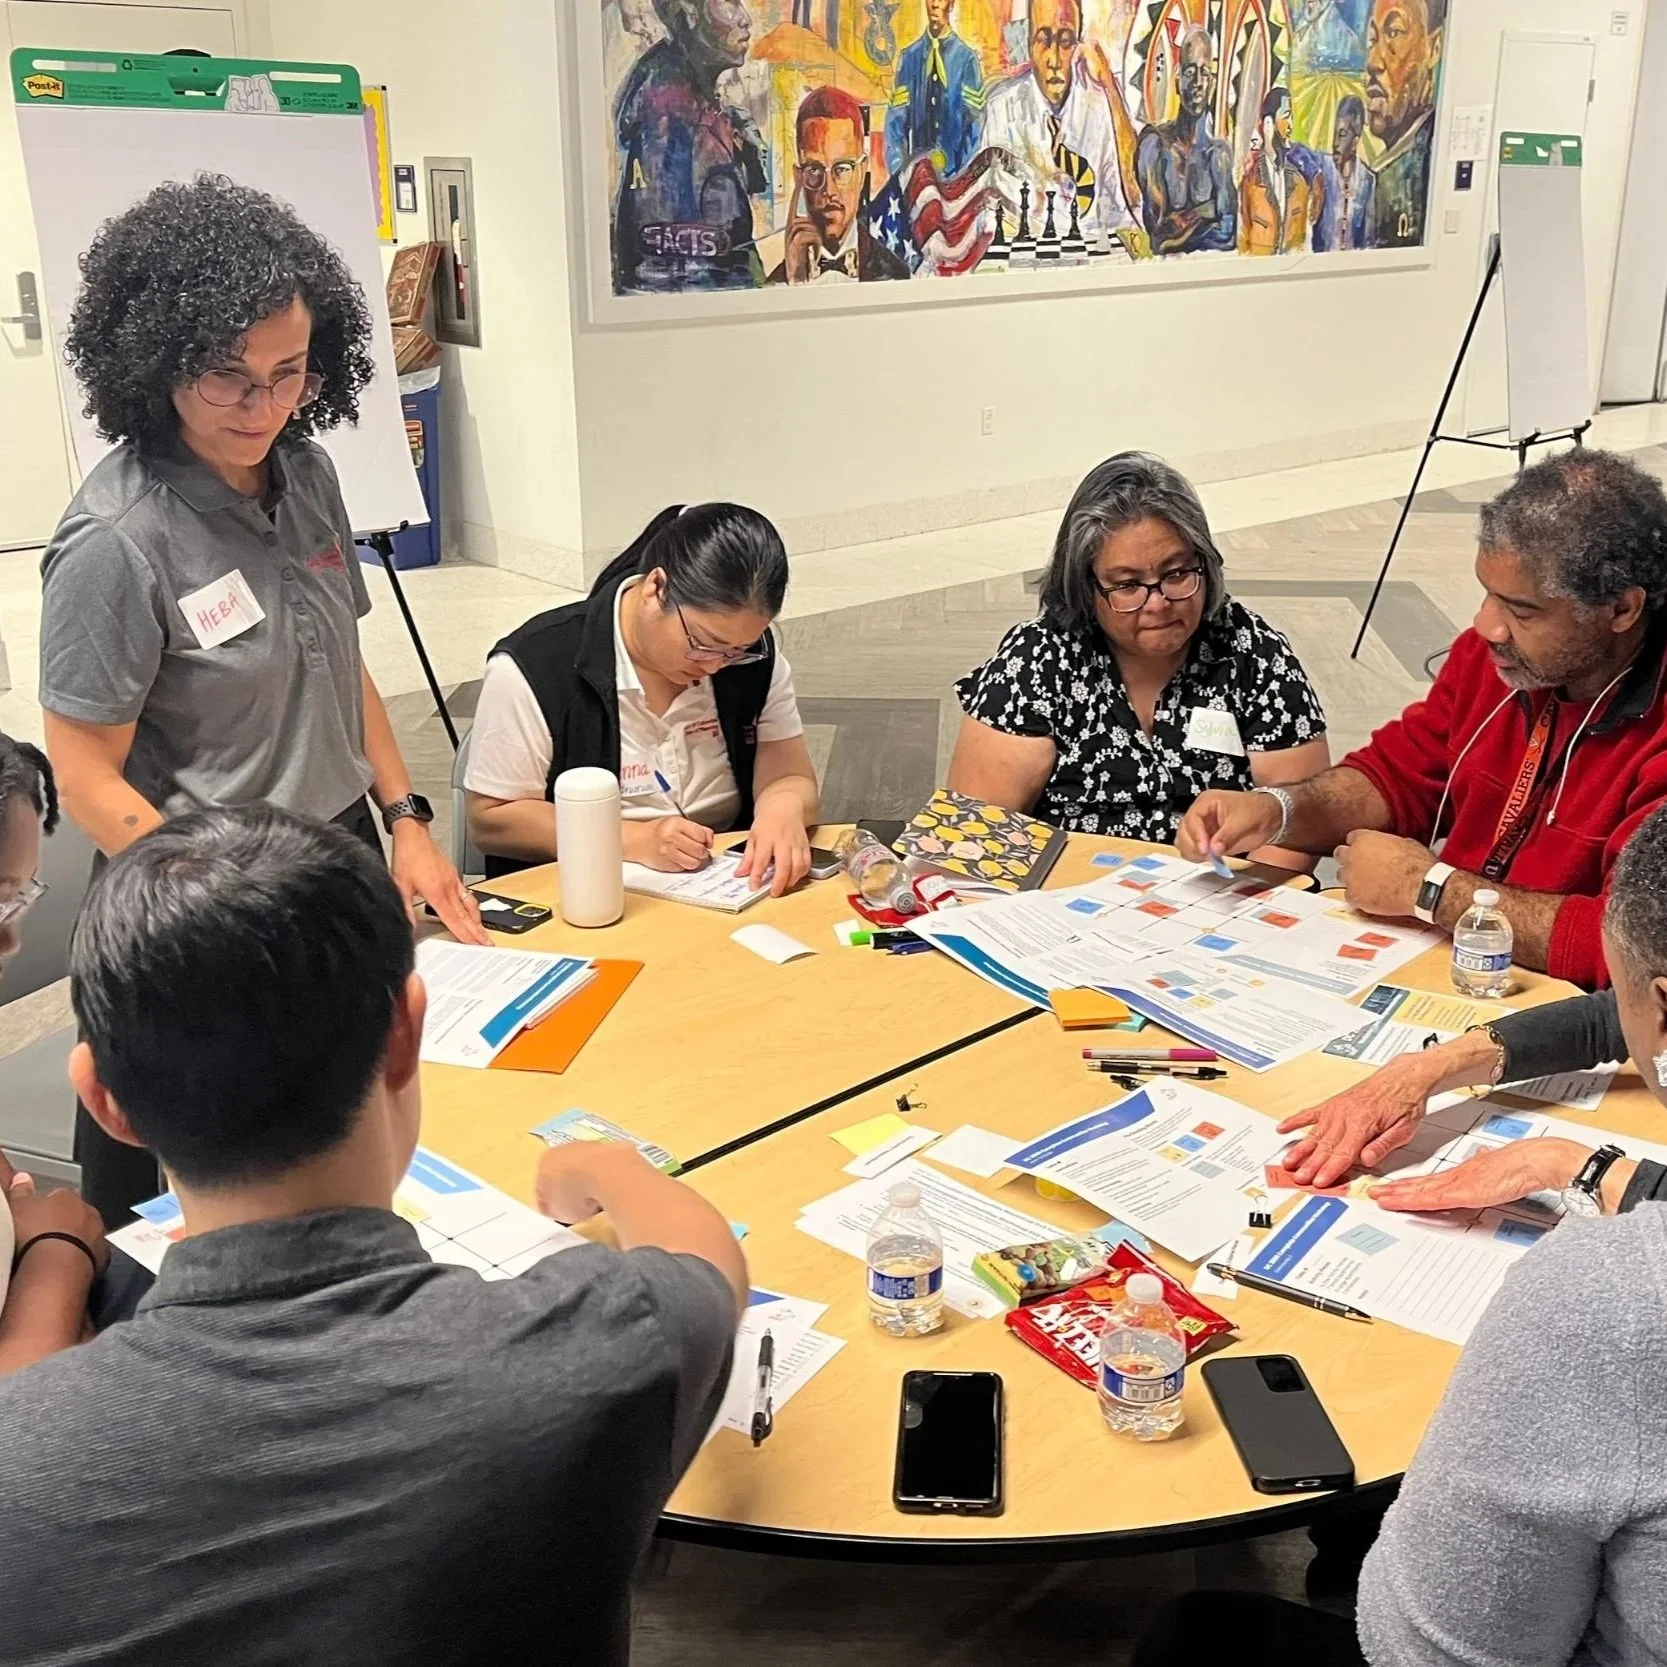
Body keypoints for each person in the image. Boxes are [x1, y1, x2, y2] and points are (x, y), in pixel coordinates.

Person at [0, 805, 744, 1664]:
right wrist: (609, 1167)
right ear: (405, 1032)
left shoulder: (22, 1454)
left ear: (104, 1101)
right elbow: (706, 1259)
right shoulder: (598, 1346)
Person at [36, 174, 484, 1228]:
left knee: (331, 1147)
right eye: (229, 380)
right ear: (153, 367)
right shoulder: (117, 539)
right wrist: (215, 900)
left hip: (331, 852)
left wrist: (406, 820)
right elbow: (83, 770)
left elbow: (342, 663)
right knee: (177, 1196)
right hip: (192, 885)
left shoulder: (308, 471)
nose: (264, 408)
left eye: (289, 376)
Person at [1135, 805, 1667, 1667]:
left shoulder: (1612, 1295)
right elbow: (1610, 1015)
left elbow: (1430, 1649)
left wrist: (1584, 1166)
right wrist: (1437, 1069)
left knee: (1197, 1638)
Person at [1179, 449, 1667, 989]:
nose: (1488, 628)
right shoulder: (1499, 663)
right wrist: (1279, 810)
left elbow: (1637, 947)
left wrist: (1432, 891)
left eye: (1521, 611)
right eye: (1487, 594)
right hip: (1455, 967)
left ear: (1622, 610)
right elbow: (1399, 778)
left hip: (1572, 1016)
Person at [948, 453, 1328, 848]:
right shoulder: (1038, 663)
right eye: (1128, 585)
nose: (1159, 603)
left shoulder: (1252, 653)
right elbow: (974, 837)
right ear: (1086, 586)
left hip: (1225, 893)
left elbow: (1299, 826)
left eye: (1177, 574)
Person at [465, 503, 819, 891]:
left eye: (738, 649)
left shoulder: (752, 662)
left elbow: (789, 775)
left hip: (726, 887)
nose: (716, 666)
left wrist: (783, 806)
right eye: (703, 643)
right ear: (655, 587)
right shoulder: (537, 665)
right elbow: (492, 820)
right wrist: (634, 839)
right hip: (583, 894)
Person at [613, 0, 767, 293]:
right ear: (689, 9)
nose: (745, 19)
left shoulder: (686, 97)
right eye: (730, 3)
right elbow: (673, 272)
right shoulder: (668, 112)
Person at [980, 0, 1138, 248]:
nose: (1054, 59)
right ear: (1029, 43)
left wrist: (1109, 85)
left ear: (1078, 45)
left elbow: (1128, 203)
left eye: (1065, 42)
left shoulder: (1099, 108)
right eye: (1043, 40)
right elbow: (998, 213)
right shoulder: (1002, 109)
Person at [770, 87, 910, 285]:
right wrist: (794, 280)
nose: (829, 191)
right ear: (798, 177)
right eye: (814, 170)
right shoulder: (775, 285)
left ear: (862, 172)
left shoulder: (896, 274)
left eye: (842, 169)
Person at [1134, 27, 1236, 255]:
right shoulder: (1154, 145)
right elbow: (1157, 235)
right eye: (1190, 72)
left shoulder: (1218, 154)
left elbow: (1229, 234)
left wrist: (1188, 220)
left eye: (1205, 73)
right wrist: (1208, 212)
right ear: (1178, 78)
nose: (1198, 82)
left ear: (1213, 83)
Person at [1364, 0, 1443, 248]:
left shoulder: (1425, 160)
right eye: (1372, 40)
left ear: (1433, 48)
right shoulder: (1377, 167)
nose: (1374, 62)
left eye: (1394, 33)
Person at [884, 0, 986, 178]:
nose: (935, 5)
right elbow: (895, 124)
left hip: (955, 180)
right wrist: (902, 175)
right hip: (917, 178)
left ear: (952, 4)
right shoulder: (909, 58)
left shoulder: (966, 59)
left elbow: (974, 126)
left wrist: (958, 175)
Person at [1238, 87, 1314, 255]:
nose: (1291, 126)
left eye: (1292, 118)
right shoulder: (1250, 185)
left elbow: (1304, 245)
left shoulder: (1299, 183)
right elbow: (1242, 245)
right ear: (1268, 124)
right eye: (1286, 117)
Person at [1332, 94, 1376, 252]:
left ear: (1355, 142)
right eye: (1334, 134)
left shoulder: (1367, 180)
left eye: (1342, 135)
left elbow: (1368, 238)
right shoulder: (1324, 170)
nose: (1335, 143)